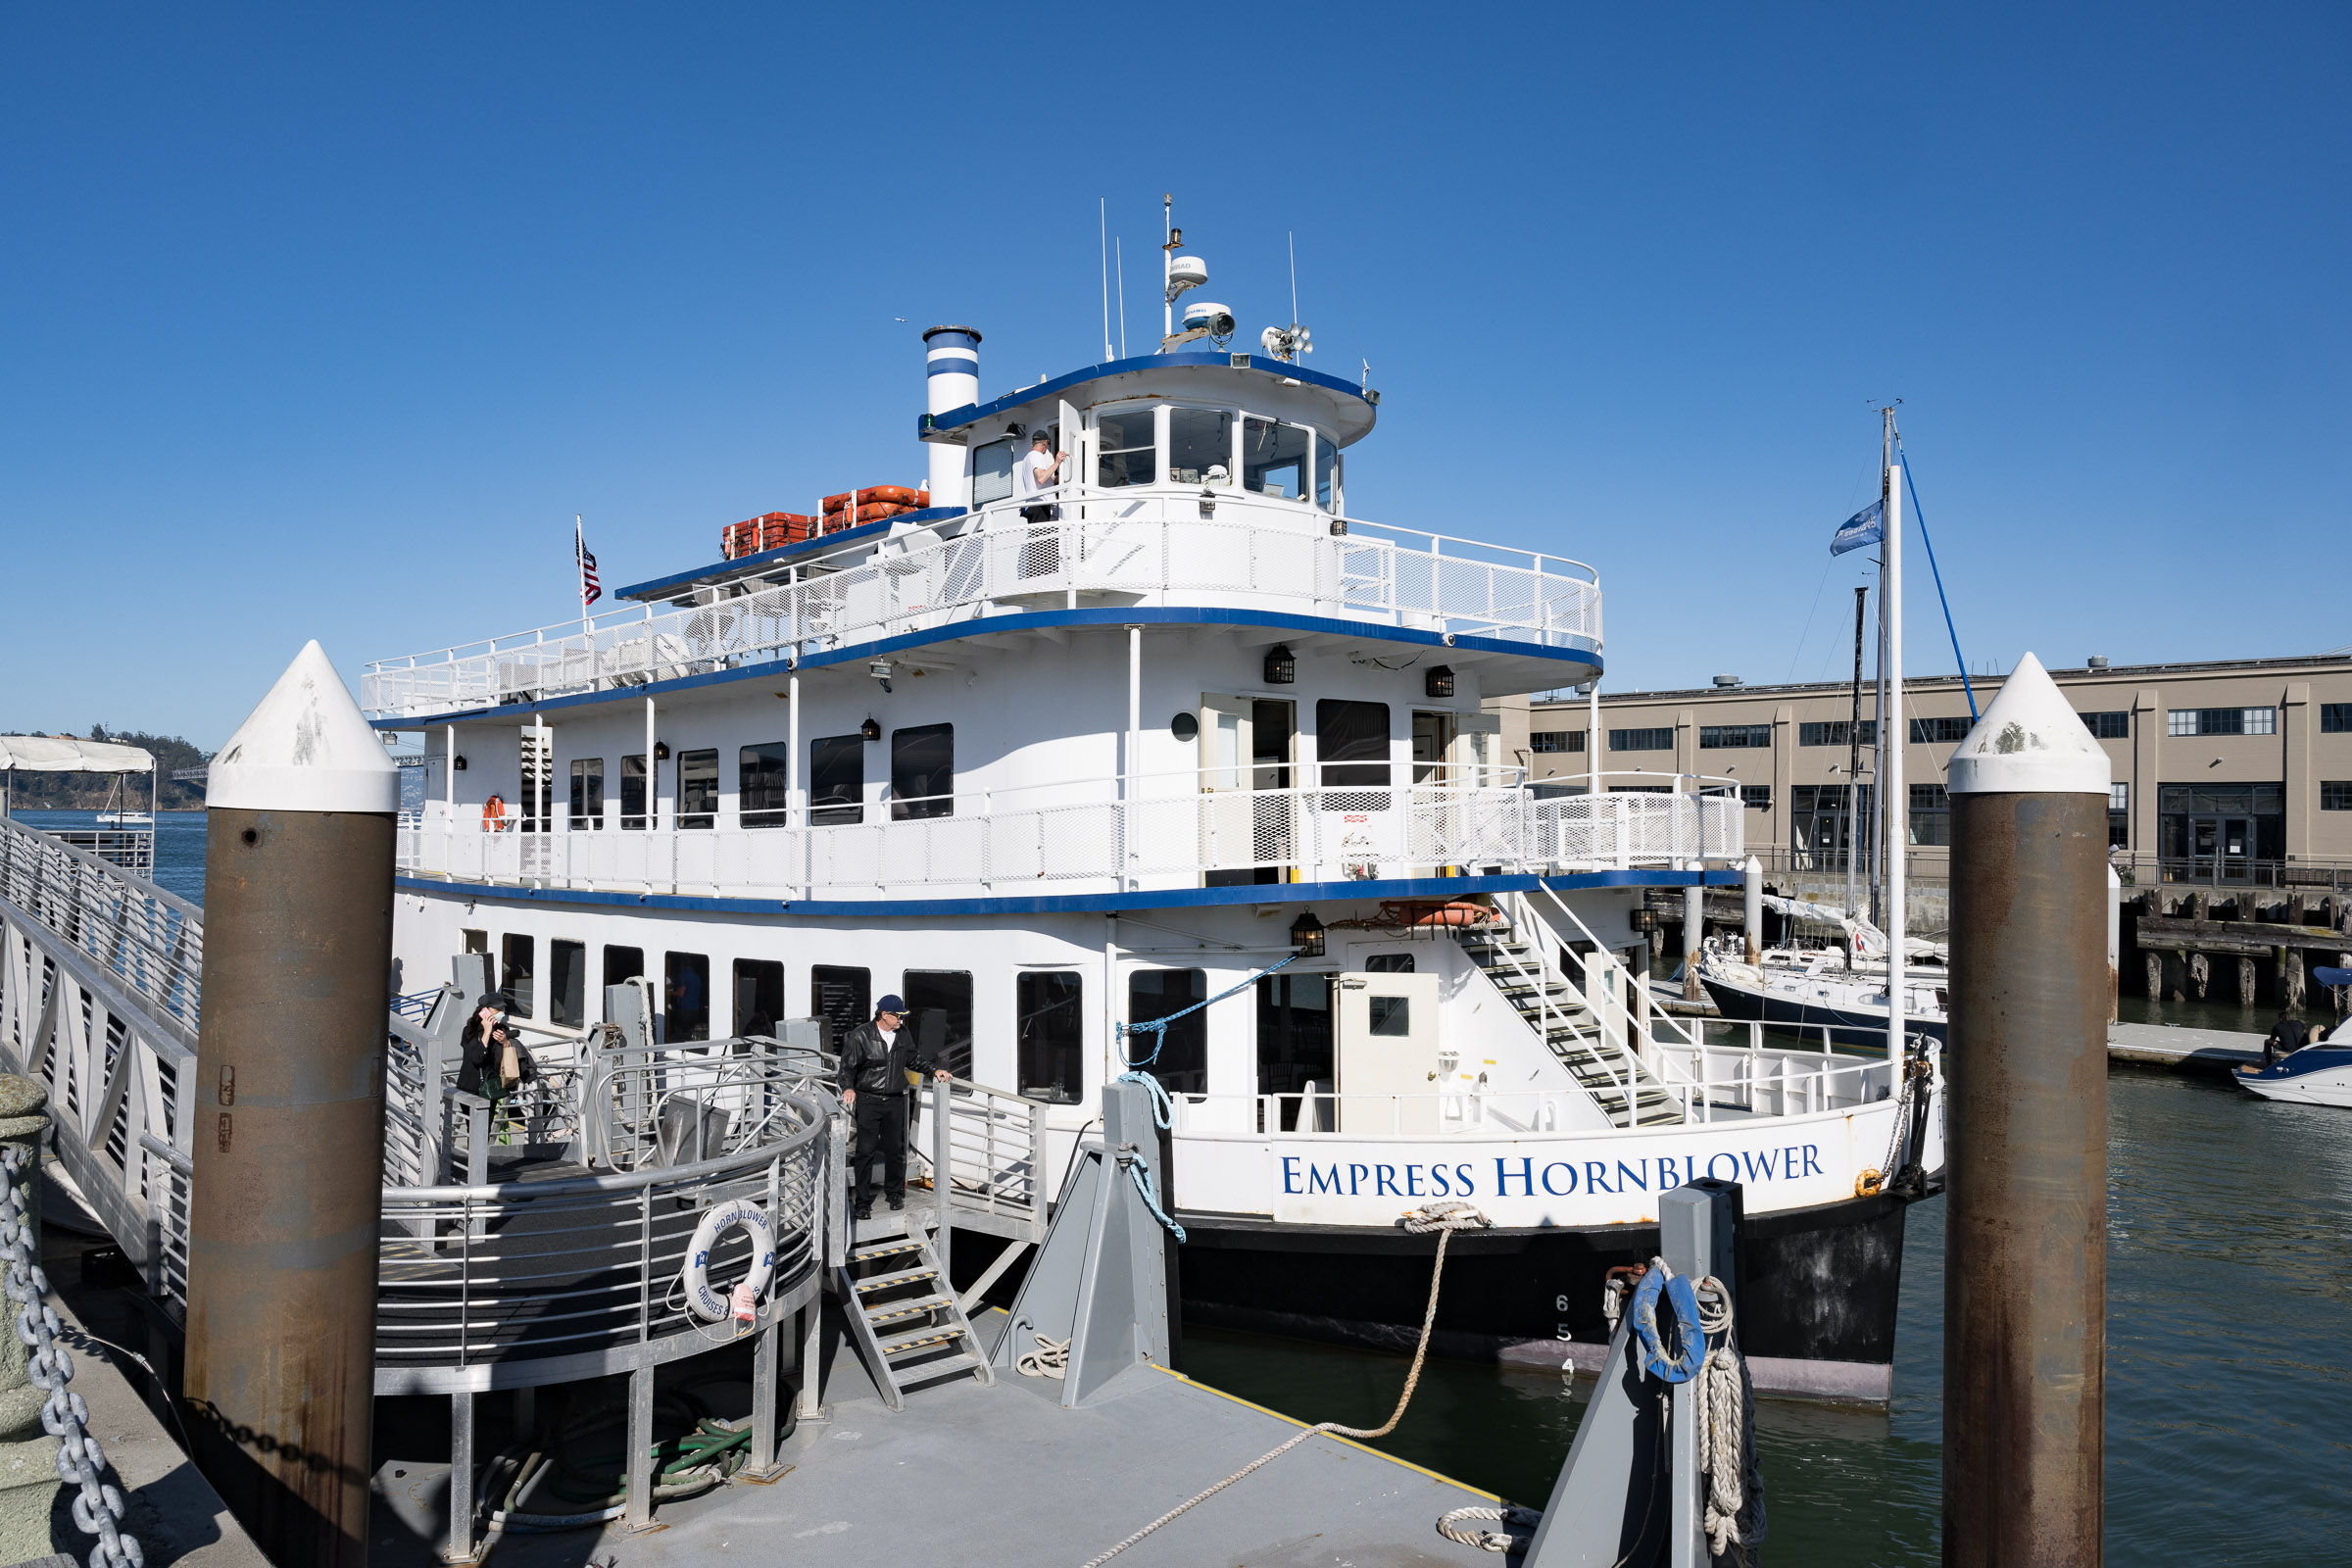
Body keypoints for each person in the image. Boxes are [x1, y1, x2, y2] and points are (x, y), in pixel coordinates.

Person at [838, 994, 948, 1219]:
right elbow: (847, 1068)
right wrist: (848, 1088)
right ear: (884, 1015)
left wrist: (934, 1071)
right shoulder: (861, 1036)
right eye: (898, 1016)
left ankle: (895, 1193)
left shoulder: (902, 1034)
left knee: (895, 1150)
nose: (901, 1020)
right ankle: (863, 1202)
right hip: (869, 1100)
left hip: (895, 1100)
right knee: (865, 1152)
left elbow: (913, 1058)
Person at [456, 995, 536, 1139]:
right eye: (497, 1009)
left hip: (491, 1087)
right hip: (470, 1088)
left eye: (502, 1008)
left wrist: (505, 1042)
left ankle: (480, 1160)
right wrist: (487, 1032)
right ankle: (473, 1161)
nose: (501, 1012)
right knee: (473, 1130)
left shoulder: (502, 1030)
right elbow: (476, 1059)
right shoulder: (469, 1031)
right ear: (484, 1011)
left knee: (484, 1130)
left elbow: (504, 1059)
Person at [1015, 429, 1065, 523]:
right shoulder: (1037, 455)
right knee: (1044, 538)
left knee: (1039, 537)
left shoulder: (1027, 458)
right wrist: (1057, 463)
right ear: (1045, 443)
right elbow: (1041, 478)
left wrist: (1061, 477)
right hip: (1040, 506)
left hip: (1033, 506)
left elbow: (1044, 480)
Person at [2241, 1005, 2309, 1073]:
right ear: (2290, 1017)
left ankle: (2268, 1064)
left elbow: (2272, 1039)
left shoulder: (2277, 1026)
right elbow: (2305, 1033)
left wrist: (2266, 1049)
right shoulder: (2298, 1023)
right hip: (2301, 1048)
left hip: (2288, 1050)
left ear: (2280, 1019)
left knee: (2267, 1042)